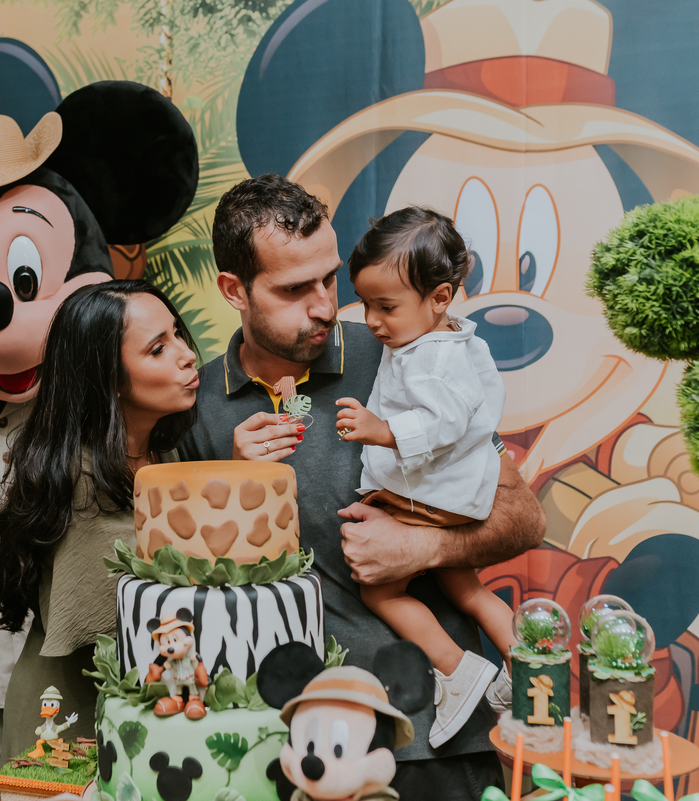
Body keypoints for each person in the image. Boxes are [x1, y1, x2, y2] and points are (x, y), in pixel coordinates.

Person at [179, 174, 545, 800]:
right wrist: (234, 486)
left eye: (329, 280)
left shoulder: (401, 351)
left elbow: (524, 517)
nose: (326, 306)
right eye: (295, 289)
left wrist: (424, 549)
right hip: (284, 748)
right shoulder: (195, 406)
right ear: (234, 290)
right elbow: (196, 584)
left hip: (433, 738)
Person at [0, 280, 200, 759]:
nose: (186, 355)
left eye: (178, 336)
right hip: (69, 717)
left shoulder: (162, 452)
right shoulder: (79, 480)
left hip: (140, 706)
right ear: (107, 378)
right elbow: (110, 621)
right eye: (158, 349)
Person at [338, 206, 517, 748]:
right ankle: (528, 666)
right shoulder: (445, 341)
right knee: (467, 588)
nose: (371, 320)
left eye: (386, 306)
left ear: (440, 298)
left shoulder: (431, 359)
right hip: (453, 494)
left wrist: (382, 430)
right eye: (366, 303)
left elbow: (445, 420)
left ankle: (458, 671)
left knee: (381, 590)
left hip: (433, 494)